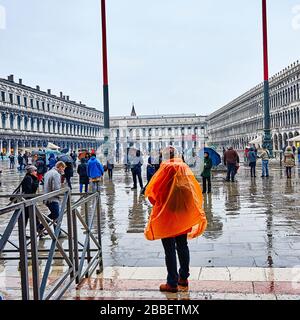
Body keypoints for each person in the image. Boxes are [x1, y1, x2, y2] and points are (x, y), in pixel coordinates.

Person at [144, 146, 207, 293]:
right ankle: (183, 278)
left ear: (164, 156)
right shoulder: (184, 167)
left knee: (169, 250)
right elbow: (193, 189)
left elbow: (153, 192)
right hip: (182, 214)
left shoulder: (164, 168)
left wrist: (159, 205)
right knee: (182, 245)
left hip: (166, 215)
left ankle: (172, 282)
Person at [38, 161, 66, 238]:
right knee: (56, 215)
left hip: (46, 197)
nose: (63, 170)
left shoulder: (48, 172)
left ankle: (57, 232)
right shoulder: (56, 174)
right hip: (53, 198)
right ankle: (41, 227)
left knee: (55, 215)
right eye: (63, 168)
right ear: (60, 167)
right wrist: (62, 191)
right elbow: (56, 188)